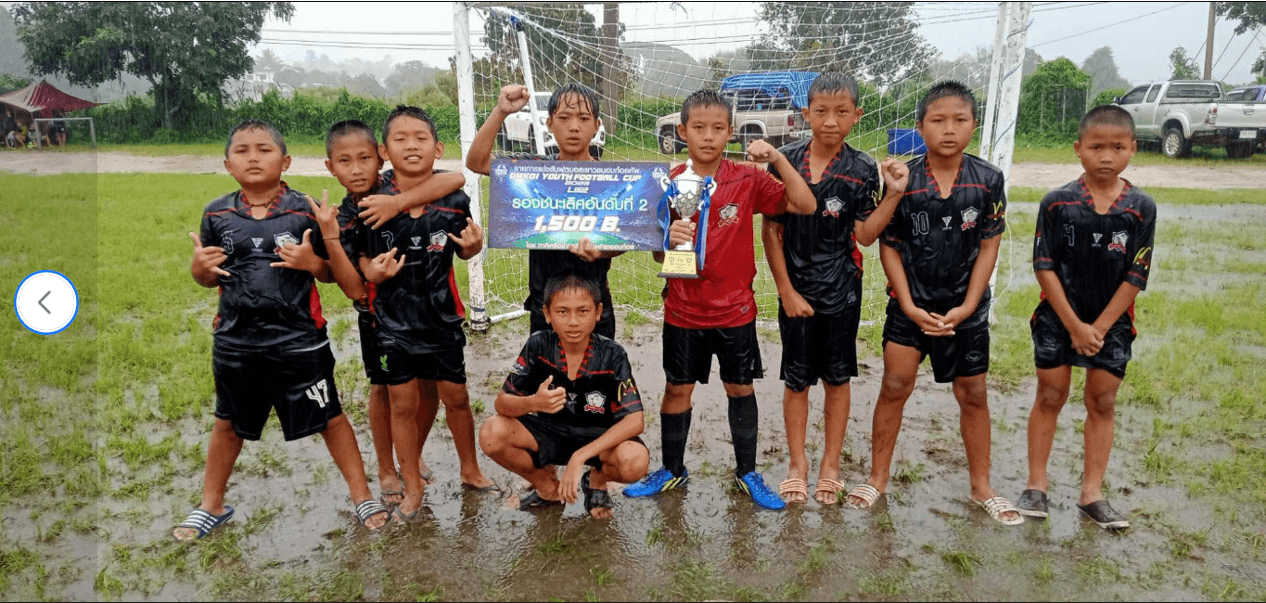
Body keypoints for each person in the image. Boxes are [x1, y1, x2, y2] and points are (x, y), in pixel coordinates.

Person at [175, 120, 389, 540]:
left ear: (285, 160)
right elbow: (209, 275)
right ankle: (210, 504)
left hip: (299, 341)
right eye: (242, 150)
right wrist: (198, 270)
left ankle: (362, 495)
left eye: (263, 149)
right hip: (236, 343)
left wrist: (312, 264)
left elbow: (331, 273)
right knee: (226, 423)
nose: (253, 157)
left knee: (331, 417)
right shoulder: (216, 214)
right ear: (227, 163)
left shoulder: (304, 210)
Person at [622, 90, 816, 511]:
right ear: (682, 131)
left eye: (717, 128)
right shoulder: (668, 181)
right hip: (683, 309)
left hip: (735, 311)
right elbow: (658, 252)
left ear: (730, 132)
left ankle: (747, 473)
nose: (708, 137)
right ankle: (672, 470)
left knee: (740, 388)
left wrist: (779, 160)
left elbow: (804, 203)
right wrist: (666, 239)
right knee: (677, 389)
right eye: (698, 128)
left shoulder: (747, 177)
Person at [844, 81, 1022, 526]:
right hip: (910, 307)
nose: (948, 130)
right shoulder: (903, 178)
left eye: (959, 120)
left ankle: (982, 487)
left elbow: (988, 246)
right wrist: (906, 303)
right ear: (920, 126)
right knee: (894, 386)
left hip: (966, 310)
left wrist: (969, 305)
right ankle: (877, 478)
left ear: (974, 125)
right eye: (937, 120)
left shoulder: (988, 179)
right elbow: (889, 245)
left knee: (974, 394)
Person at [761, 72, 909, 505]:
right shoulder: (783, 160)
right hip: (796, 290)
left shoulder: (863, 168)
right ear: (805, 114)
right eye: (820, 111)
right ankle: (797, 465)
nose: (830, 120)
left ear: (856, 115)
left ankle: (830, 463)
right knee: (796, 380)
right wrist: (786, 290)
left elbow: (864, 235)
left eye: (841, 112)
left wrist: (894, 195)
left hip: (842, 290)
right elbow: (771, 232)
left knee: (837, 379)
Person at [305, 119, 466, 505]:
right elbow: (351, 286)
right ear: (331, 167)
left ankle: (411, 456)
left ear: (380, 156)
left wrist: (398, 202)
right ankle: (387, 468)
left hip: (428, 309)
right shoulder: (341, 216)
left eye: (364, 158)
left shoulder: (390, 185)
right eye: (345, 161)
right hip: (379, 314)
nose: (357, 169)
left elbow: (454, 180)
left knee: (426, 387)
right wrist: (354, 268)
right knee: (385, 391)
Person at [352, 106, 495, 521]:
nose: (411, 145)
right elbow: (358, 256)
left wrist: (472, 248)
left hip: (442, 318)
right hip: (391, 324)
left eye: (420, 138)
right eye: (400, 138)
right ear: (384, 149)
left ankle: (470, 470)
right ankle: (412, 485)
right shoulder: (369, 200)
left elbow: (467, 244)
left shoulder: (454, 200)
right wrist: (368, 270)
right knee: (402, 404)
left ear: (438, 147)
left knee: (457, 398)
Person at [1017, 105, 1155, 530]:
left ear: (1133, 149)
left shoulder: (1140, 208)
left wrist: (1097, 326)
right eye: (1096, 147)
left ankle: (1091, 494)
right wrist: (1074, 324)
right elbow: (1044, 265)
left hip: (1111, 324)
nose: (1106, 156)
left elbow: (1137, 272)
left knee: (1102, 401)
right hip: (1059, 319)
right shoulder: (1057, 203)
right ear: (1079, 149)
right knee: (1051, 394)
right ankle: (1036, 485)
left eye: (1117, 147)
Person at [479, 275, 649, 518]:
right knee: (491, 433)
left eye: (583, 311)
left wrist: (580, 458)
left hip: (595, 435)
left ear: (598, 312)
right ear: (547, 313)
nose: (573, 322)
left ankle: (596, 481)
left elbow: (635, 421)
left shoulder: (613, 354)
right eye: (562, 311)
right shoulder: (538, 345)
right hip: (549, 431)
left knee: (636, 461)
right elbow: (501, 403)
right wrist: (533, 403)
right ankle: (547, 488)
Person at [465, 83, 622, 338]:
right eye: (564, 118)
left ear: (596, 125)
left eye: (583, 118)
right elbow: (476, 161)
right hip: (544, 304)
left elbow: (626, 235)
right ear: (549, 123)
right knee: (545, 377)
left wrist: (604, 250)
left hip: (594, 304)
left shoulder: (611, 179)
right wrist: (500, 111)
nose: (574, 126)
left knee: (596, 376)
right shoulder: (533, 170)